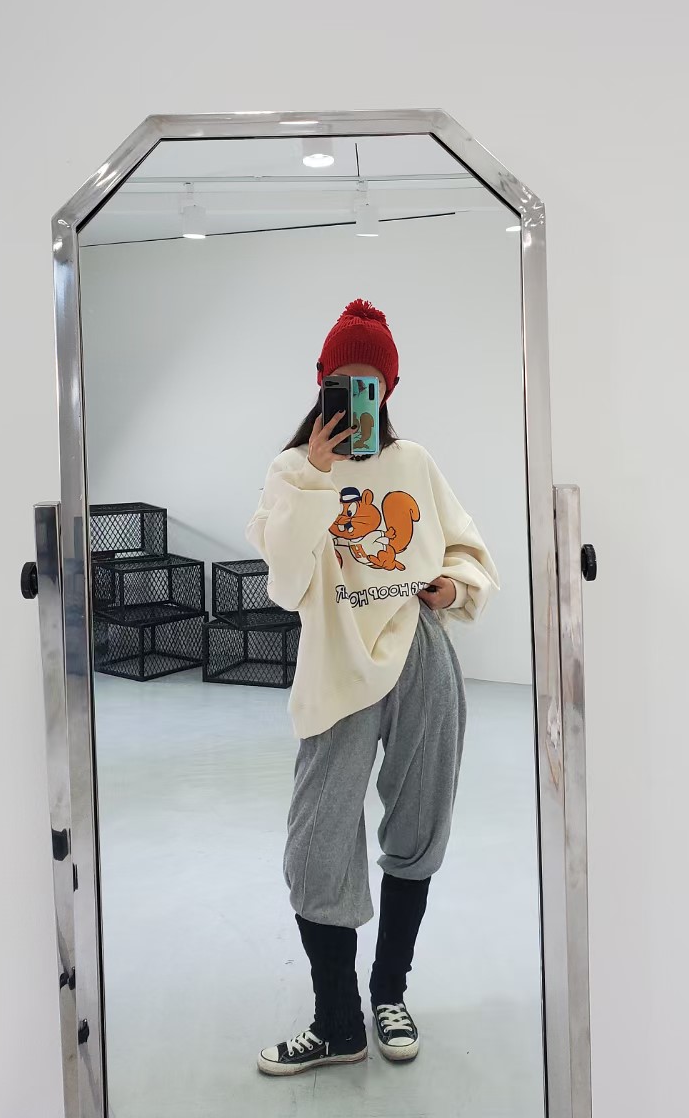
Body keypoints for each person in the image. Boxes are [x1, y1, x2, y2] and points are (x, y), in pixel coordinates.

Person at [246, 298, 499, 1077]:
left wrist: (452, 587)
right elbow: (285, 585)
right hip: (337, 663)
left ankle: (389, 992)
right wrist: (317, 477)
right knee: (317, 844)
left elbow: (465, 549)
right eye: (344, 379)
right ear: (322, 380)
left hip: (419, 651)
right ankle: (337, 1022)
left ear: (388, 388)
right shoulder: (291, 472)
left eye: (371, 382)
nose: (357, 394)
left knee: (419, 825)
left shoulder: (414, 462)